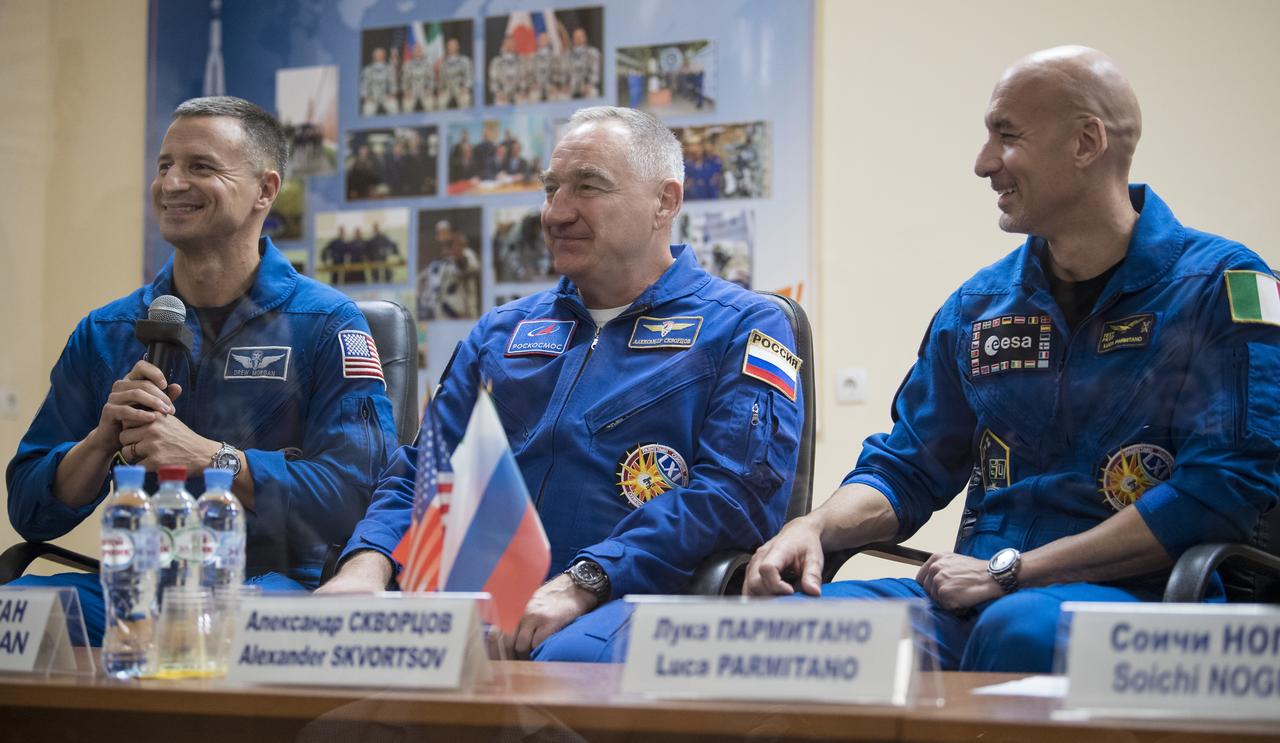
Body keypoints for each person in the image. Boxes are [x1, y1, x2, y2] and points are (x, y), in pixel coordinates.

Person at [744, 46, 1280, 673]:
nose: (983, 163)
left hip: (1148, 607)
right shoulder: (979, 307)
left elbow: (1223, 489)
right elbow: (908, 467)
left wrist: (1016, 571)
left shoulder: (1225, 284)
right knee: (778, 629)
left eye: (1007, 135)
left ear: (1086, 142)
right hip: (975, 600)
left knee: (1017, 628)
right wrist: (813, 528)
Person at [321, 106, 804, 663]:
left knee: (560, 673)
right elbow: (423, 472)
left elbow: (738, 495)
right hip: (476, 599)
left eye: (588, 187)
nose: (556, 212)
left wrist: (588, 579)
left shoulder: (743, 325)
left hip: (631, 598)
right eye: (551, 189)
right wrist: (367, 565)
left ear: (664, 202)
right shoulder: (502, 332)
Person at [5, 96, 398, 644]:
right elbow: (30, 513)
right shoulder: (108, 331)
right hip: (135, 589)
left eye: (201, 167)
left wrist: (212, 459)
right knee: (12, 616)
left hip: (270, 592)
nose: (171, 184)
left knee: (231, 634)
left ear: (265, 189)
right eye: (165, 166)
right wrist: (99, 443)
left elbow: (355, 496)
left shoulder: (326, 323)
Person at [360, 47, 399, 117]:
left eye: (381, 55)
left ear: (384, 56)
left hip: (386, 96)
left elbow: (393, 83)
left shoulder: (389, 68)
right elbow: (364, 84)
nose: (379, 57)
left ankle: (398, 127)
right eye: (377, 55)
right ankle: (369, 127)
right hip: (372, 96)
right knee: (367, 109)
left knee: (394, 106)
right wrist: (366, 96)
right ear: (373, 56)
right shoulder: (367, 69)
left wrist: (392, 93)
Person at [438, 37, 473, 110]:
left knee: (465, 99)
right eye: (450, 46)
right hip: (447, 88)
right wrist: (441, 89)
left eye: (454, 45)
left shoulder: (464, 60)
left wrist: (466, 87)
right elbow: (441, 78)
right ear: (447, 47)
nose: (452, 48)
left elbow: (469, 75)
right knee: (440, 101)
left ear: (458, 47)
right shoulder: (443, 63)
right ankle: (444, 121)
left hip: (460, 87)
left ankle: (464, 120)